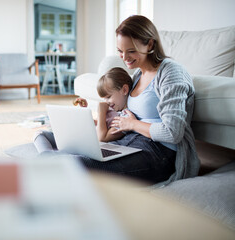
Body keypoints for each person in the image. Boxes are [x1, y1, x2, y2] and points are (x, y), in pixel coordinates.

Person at [34, 15, 200, 186]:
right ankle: (47, 161)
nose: (124, 57)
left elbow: (173, 132)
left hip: (157, 153)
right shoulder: (137, 75)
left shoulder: (171, 73)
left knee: (70, 163)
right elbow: (123, 118)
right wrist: (92, 123)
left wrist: (132, 125)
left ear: (150, 44)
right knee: (43, 135)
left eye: (131, 51)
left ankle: (46, 163)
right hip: (127, 142)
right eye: (120, 51)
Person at [73, 67, 133, 142]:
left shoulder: (126, 117)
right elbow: (99, 125)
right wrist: (84, 110)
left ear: (124, 90)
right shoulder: (114, 109)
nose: (106, 102)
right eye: (104, 98)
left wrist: (101, 112)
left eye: (108, 97)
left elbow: (102, 138)